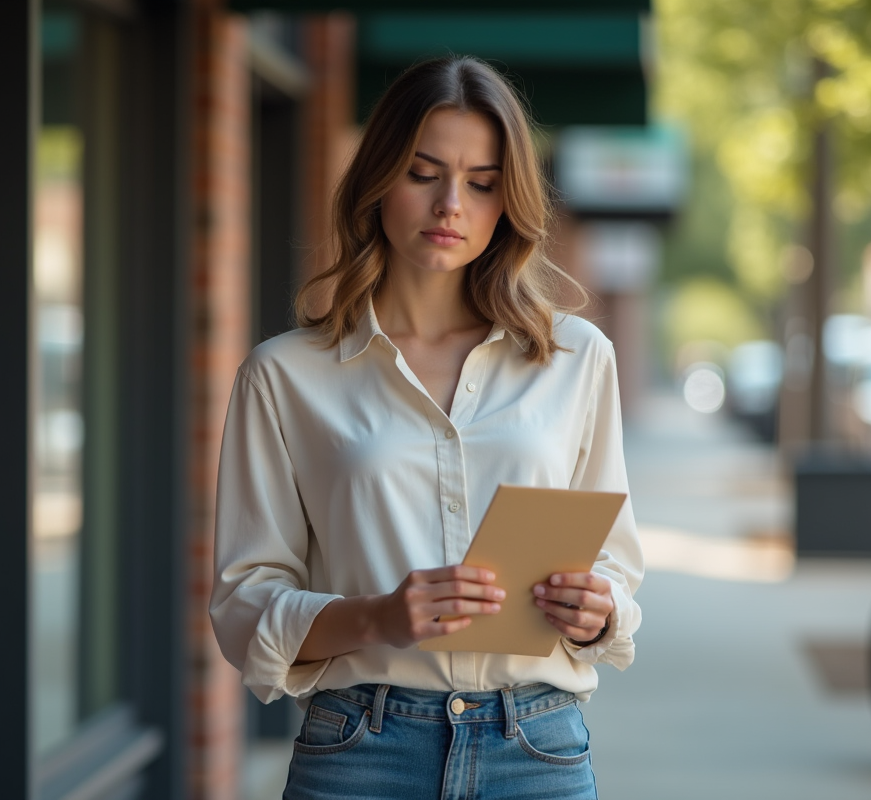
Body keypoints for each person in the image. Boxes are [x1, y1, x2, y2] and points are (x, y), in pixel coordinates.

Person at [210, 56, 643, 800]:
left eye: (481, 183)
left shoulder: (576, 358)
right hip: (358, 749)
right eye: (423, 172)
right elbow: (244, 607)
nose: (451, 204)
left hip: (533, 748)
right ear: (378, 180)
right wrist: (377, 616)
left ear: (507, 203)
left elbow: (616, 565)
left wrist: (598, 611)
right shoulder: (285, 376)